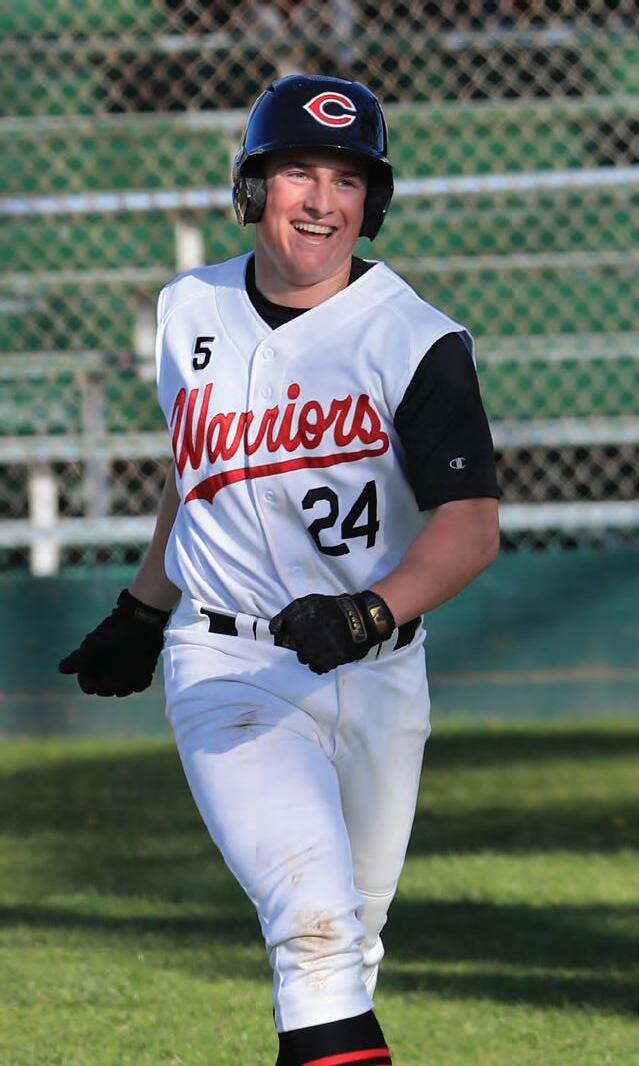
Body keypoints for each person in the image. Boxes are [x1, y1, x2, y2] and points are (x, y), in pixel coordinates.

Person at [59, 74, 500, 1066]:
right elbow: (196, 472)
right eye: (298, 172)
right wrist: (145, 609)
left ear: (372, 203)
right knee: (314, 929)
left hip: (377, 667)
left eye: (348, 180)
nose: (321, 201)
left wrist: (369, 613)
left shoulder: (413, 337)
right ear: (252, 187)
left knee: (348, 947)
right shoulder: (189, 308)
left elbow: (469, 526)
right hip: (231, 665)